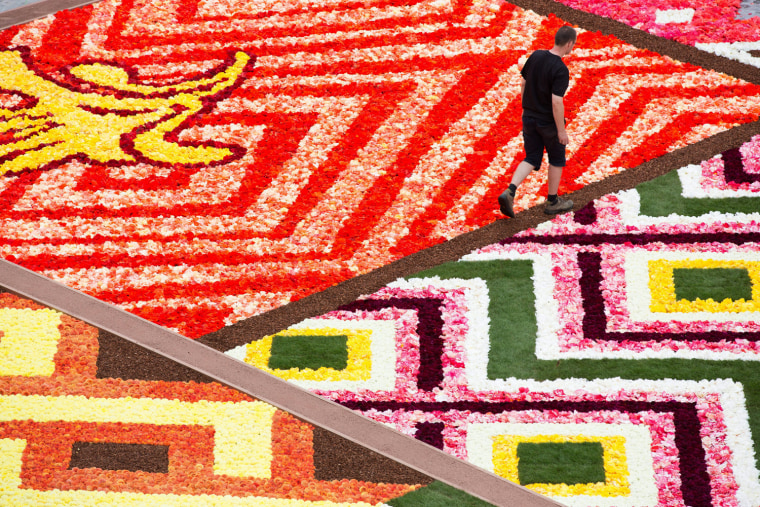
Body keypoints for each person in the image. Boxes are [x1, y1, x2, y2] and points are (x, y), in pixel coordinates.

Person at [499, 25, 577, 218]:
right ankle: (552, 201)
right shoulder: (560, 69)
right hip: (547, 122)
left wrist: (526, 107)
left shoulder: (536, 56)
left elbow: (523, 82)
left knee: (532, 157)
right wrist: (561, 131)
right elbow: (556, 101)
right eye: (573, 45)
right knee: (557, 159)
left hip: (529, 116)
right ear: (568, 44)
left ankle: (510, 190)